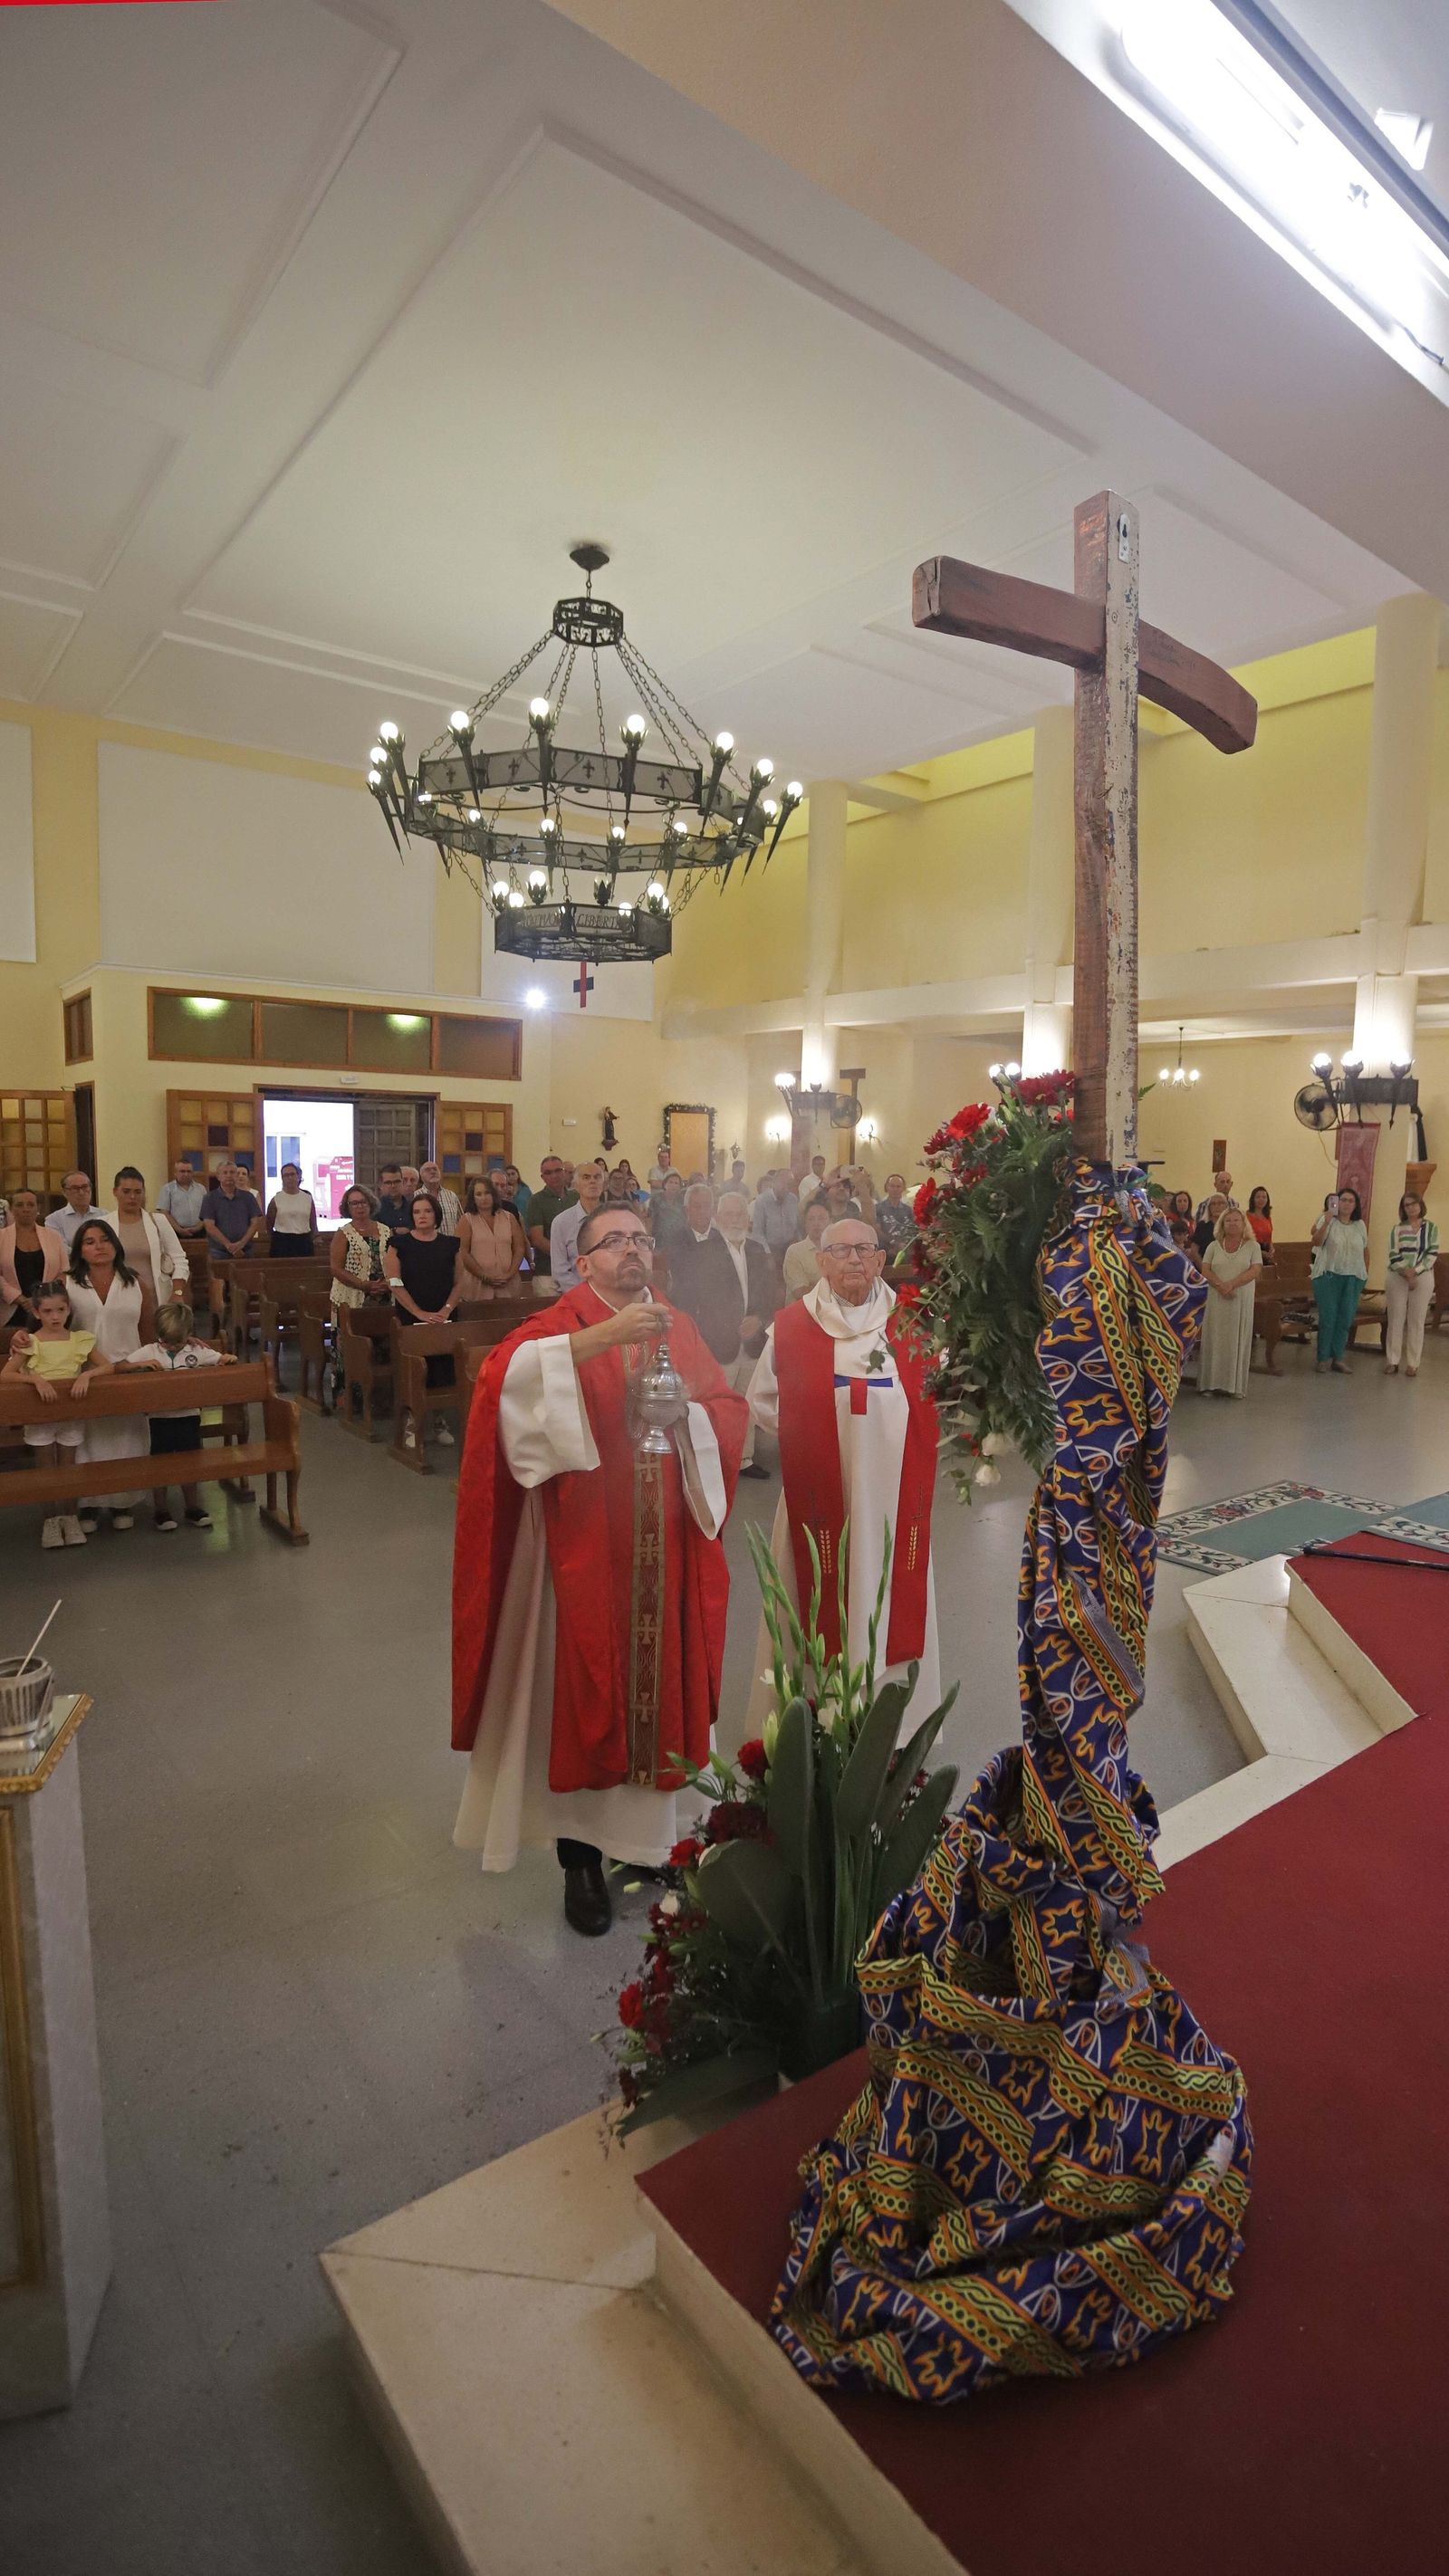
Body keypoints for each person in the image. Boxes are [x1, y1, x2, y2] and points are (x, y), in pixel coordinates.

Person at [451, 1202, 747, 1934]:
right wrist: (602, 1341)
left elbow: (726, 1406)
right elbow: (498, 1380)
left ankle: (648, 1845)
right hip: (582, 1552)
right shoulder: (562, 1324)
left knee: (661, 1694)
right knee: (585, 1693)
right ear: (582, 1264)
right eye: (612, 1241)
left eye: (640, 1239)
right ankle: (581, 1860)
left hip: (663, 1548)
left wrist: (690, 1418)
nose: (631, 1251)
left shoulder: (675, 1322)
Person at [745, 1217, 940, 1736]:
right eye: (840, 1250)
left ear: (881, 1261)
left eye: (864, 1250)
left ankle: (890, 1724)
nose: (854, 1259)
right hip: (819, 1494)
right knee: (812, 1586)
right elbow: (764, 1403)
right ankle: (812, 1716)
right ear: (821, 1262)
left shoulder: (912, 1323)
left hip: (892, 1495)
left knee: (888, 1581)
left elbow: (940, 1395)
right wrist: (820, 1434)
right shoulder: (789, 1327)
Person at [667, 1186, 777, 1479]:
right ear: (718, 1218)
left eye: (740, 1213)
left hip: (752, 1342)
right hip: (718, 1344)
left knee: (746, 1403)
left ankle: (743, 1459)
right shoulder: (703, 1253)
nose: (735, 1219)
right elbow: (688, 1302)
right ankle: (712, 1460)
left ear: (748, 1217)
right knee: (715, 1406)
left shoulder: (756, 1250)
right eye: (728, 1214)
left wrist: (759, 1318)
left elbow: (770, 1294)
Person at [2, 1278, 110, 1549]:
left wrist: (87, 1376)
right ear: (37, 1313)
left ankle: (69, 1517)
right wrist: (35, 1380)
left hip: (70, 1414)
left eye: (60, 1310)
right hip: (41, 1417)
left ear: (68, 1310)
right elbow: (6, 1374)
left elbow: (108, 1367)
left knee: (68, 1469)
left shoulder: (78, 1340)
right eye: (48, 1311)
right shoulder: (32, 1342)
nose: (55, 1317)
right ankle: (50, 1520)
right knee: (47, 1471)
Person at [66, 1218, 154, 1533]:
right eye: (89, 1241)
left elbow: (148, 1329)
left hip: (127, 1366)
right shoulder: (67, 1283)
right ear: (80, 1250)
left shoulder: (135, 1282)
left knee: (125, 1437)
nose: (98, 1246)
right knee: (88, 1440)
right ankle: (88, 1503)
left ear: (115, 1245)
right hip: (83, 1373)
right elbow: (51, 1324)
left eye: (104, 1239)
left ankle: (123, 1502)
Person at [121, 1298, 237, 1531]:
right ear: (159, 1335)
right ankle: (161, 1510)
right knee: (160, 1465)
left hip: (189, 1416)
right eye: (167, 1341)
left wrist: (226, 1359)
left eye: (178, 1341)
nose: (172, 1346)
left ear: (188, 1334)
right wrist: (140, 1366)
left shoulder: (196, 1351)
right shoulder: (149, 1351)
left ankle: (192, 1507)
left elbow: (219, 1359)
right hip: (159, 1419)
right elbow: (121, 1366)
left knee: (190, 1463)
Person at [386, 1191, 464, 1450]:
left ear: (436, 1215)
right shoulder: (399, 1244)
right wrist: (417, 1313)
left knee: (442, 1366)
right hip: (411, 1314)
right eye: (417, 1212)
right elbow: (394, 1282)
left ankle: (440, 1421)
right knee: (415, 1369)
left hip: (444, 1315)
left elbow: (459, 1282)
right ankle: (411, 1423)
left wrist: (447, 1309)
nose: (422, 1216)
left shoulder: (451, 1243)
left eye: (427, 1211)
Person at [1196, 1207, 1262, 1397]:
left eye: (1236, 1221)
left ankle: (1234, 1386)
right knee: (1215, 1338)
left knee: (1236, 1339)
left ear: (1243, 1224)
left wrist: (1231, 1285)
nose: (1232, 1224)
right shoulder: (1213, 1246)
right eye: (1228, 1221)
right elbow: (1205, 1269)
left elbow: (1255, 1270)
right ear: (1222, 1224)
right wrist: (1220, 1285)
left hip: (1239, 1298)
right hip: (1217, 1297)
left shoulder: (1252, 1246)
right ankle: (1210, 1384)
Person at [103, 1166, 187, 1307]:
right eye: (126, 1192)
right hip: (117, 1300)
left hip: (155, 1298)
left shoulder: (158, 1222)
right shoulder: (104, 1224)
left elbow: (179, 1260)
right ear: (115, 1192)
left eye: (138, 1192)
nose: (132, 1197)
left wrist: (177, 1292)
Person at [1310, 1187, 1369, 1374]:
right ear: (1336, 1202)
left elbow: (1365, 1249)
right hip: (1328, 1275)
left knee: (1345, 1317)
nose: (1346, 1204)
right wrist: (1326, 1222)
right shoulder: (1327, 1220)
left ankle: (1338, 1357)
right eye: (1343, 1200)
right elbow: (1317, 1242)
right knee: (1329, 1317)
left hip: (1353, 1276)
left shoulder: (1359, 1224)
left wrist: (1365, 1271)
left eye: (1350, 1201)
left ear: (1355, 1205)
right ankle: (1322, 1358)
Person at [1384, 1191, 1439, 1379]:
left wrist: (1415, 1271)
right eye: (1407, 1205)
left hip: (1422, 1276)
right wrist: (1406, 1272)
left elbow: (1432, 1253)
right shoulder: (1397, 1229)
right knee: (1396, 1318)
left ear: (1420, 1205)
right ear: (1403, 1208)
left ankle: (1413, 1363)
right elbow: (1393, 1253)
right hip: (1398, 1276)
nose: (1411, 1208)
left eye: (1414, 1204)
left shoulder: (1431, 1228)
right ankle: (1392, 1360)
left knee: (1416, 1320)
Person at [329, 1183, 393, 1334]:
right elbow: (336, 1268)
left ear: (370, 1204)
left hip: (384, 1293)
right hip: (353, 1294)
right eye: (354, 1203)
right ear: (348, 1207)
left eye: (363, 1202)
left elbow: (394, 1260)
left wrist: (387, 1283)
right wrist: (364, 1285)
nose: (359, 1206)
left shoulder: (385, 1230)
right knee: (355, 1342)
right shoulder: (343, 1234)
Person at [1, 1188, 67, 1326]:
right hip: (10, 1310)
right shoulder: (1, 1237)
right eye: (20, 1205)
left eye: (30, 1204)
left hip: (49, 1310)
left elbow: (64, 1272)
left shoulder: (54, 1237)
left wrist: (41, 1297)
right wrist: (18, 1298)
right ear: (12, 1209)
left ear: (38, 1208)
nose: (26, 1209)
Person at [458, 1174, 527, 1292]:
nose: (484, 1198)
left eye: (487, 1193)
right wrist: (483, 1276)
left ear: (494, 1195)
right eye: (478, 1194)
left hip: (508, 1283)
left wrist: (510, 1274)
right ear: (473, 1198)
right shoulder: (466, 1220)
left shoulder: (509, 1218)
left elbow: (519, 1248)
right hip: (477, 1285)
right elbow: (462, 1251)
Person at [551, 1161, 608, 1289]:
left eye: (597, 1177)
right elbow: (560, 1271)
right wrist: (585, 1294)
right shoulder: (561, 1223)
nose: (592, 1181)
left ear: (604, 1185)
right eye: (586, 1177)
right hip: (576, 1295)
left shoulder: (614, 1219)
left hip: (611, 1294)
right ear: (576, 1185)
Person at [200, 1161, 264, 1267]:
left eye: (232, 1172)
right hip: (219, 1252)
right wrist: (229, 1245)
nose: (229, 1175)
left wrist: (241, 1244)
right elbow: (209, 1226)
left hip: (245, 1250)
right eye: (225, 1173)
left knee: (246, 1281)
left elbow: (255, 1223)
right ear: (218, 1176)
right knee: (219, 1282)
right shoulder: (209, 1198)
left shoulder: (248, 1197)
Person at [526, 1154, 573, 1277]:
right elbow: (537, 1239)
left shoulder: (576, 1197)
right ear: (543, 1177)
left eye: (558, 1170)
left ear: (564, 1172)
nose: (554, 1176)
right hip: (547, 1272)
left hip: (576, 1270)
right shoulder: (536, 1200)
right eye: (548, 1173)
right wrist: (565, 1256)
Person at [265, 1162, 318, 1256]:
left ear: (298, 1176)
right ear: (282, 1178)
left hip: (303, 1242)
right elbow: (269, 1224)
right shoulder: (276, 1200)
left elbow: (313, 1223)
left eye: (292, 1174)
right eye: (286, 1175)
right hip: (281, 1242)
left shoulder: (308, 1198)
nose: (290, 1178)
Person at [751, 1168, 800, 1268]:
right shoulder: (762, 1201)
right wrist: (768, 1255)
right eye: (782, 1183)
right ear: (774, 1182)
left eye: (789, 1184)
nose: (785, 1187)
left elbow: (797, 1228)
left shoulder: (793, 1200)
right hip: (770, 1249)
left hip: (790, 1248)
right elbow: (758, 1233)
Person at [783, 1198, 831, 1300]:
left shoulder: (839, 1250)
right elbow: (801, 1293)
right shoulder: (795, 1252)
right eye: (811, 1219)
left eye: (821, 1218)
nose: (816, 1223)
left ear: (830, 1222)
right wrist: (837, 1288)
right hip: (803, 1312)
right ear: (805, 1224)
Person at [158, 1157, 207, 1241]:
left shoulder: (201, 1189)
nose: (186, 1174)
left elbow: (207, 1211)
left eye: (189, 1171)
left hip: (199, 1232)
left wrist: (198, 1227)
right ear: (175, 1173)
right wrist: (179, 1230)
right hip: (175, 1233)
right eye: (182, 1171)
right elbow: (164, 1213)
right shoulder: (167, 1189)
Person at [50, 1169, 99, 1251]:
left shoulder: (104, 1215)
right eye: (75, 1188)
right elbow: (60, 1248)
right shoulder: (54, 1220)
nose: (81, 1192)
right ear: (65, 1192)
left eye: (85, 1187)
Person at [873, 1172, 916, 1263]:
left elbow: (914, 1231)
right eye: (892, 1186)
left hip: (905, 1254)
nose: (895, 1189)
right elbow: (877, 1231)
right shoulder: (878, 1208)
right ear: (886, 1188)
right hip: (885, 1254)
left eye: (898, 1186)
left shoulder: (908, 1210)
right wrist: (893, 1244)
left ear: (903, 1188)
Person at [649, 1168, 690, 1253]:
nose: (673, 1185)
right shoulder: (656, 1199)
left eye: (676, 1183)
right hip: (660, 1240)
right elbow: (650, 1220)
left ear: (680, 1187)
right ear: (665, 1185)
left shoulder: (682, 1200)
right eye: (670, 1182)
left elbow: (686, 1220)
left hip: (679, 1241)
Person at [419, 1161, 463, 1232]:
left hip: (450, 1242)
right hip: (425, 1242)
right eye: (428, 1170)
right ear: (421, 1177)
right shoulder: (415, 1196)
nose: (433, 1172)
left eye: (435, 1169)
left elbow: (461, 1222)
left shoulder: (451, 1195)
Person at [375, 1163, 414, 1234]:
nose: (393, 1186)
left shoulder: (413, 1207)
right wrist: (394, 1231)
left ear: (402, 1182)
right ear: (380, 1185)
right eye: (388, 1183)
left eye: (397, 1182)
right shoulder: (374, 1210)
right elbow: (371, 1234)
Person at [1192, 1193, 1227, 1262]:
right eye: (1213, 1204)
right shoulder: (1202, 1226)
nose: (1217, 1206)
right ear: (1209, 1207)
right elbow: (1194, 1251)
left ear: (1226, 1206)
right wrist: (1204, 1269)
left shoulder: (1231, 1224)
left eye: (1220, 1203)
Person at [1244, 1187, 1273, 1255]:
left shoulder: (1267, 1217)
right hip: (1251, 1251)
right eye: (1258, 1197)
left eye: (1264, 1197)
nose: (1261, 1199)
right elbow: (1245, 1239)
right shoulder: (1246, 1217)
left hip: (1266, 1251)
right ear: (1253, 1199)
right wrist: (1260, 1252)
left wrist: (1271, 1247)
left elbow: (1269, 1237)